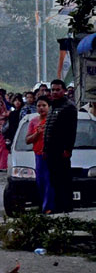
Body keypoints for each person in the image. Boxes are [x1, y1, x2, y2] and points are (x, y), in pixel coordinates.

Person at [44, 79, 78, 213]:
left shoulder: (69, 107)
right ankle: (57, 206)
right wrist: (45, 149)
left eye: (58, 90)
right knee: (54, 179)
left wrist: (68, 149)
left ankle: (66, 207)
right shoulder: (52, 106)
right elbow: (48, 129)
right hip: (51, 150)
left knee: (64, 179)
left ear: (63, 91)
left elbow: (71, 130)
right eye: (53, 90)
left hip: (61, 150)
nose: (55, 92)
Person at [25, 96, 53, 213]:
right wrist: (37, 133)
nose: (41, 108)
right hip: (38, 155)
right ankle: (43, 205)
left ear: (49, 107)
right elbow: (27, 140)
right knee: (41, 181)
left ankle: (49, 207)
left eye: (44, 106)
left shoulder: (52, 120)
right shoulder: (33, 121)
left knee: (49, 181)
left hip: (51, 154)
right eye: (39, 106)